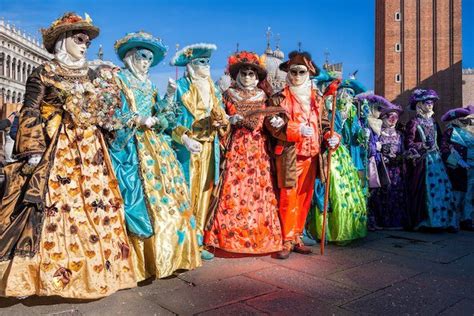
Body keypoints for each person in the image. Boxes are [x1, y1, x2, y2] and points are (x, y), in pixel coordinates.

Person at [0, 13, 136, 298]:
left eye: (87, 40)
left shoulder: (93, 74)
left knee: (98, 205)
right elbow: (30, 110)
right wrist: (34, 148)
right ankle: (51, 275)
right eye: (79, 39)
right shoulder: (44, 72)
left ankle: (98, 272)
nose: (85, 45)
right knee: (57, 207)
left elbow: (105, 111)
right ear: (64, 40)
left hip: (92, 150)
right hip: (58, 148)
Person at [109, 32, 201, 280]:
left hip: (155, 146)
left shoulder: (150, 85)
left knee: (169, 199)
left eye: (150, 58)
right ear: (131, 56)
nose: (146, 61)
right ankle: (140, 263)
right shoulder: (119, 80)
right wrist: (137, 119)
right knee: (135, 196)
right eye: (142, 56)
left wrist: (169, 96)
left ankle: (168, 257)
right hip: (130, 145)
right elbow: (111, 112)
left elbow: (162, 118)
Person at [205, 51, 282, 254]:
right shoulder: (228, 95)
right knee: (234, 186)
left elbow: (271, 120)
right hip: (237, 148)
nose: (247, 77)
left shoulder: (264, 96)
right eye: (244, 73)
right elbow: (218, 118)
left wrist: (275, 122)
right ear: (237, 75)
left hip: (259, 149)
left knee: (260, 187)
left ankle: (260, 236)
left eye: (251, 74)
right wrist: (228, 121)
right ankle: (230, 237)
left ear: (257, 77)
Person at [264, 51, 339, 259]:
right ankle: (286, 239)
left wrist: (332, 137)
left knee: (305, 197)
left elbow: (325, 124)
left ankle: (297, 236)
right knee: (288, 196)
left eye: (301, 72)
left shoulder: (317, 100)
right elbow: (271, 125)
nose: (296, 75)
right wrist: (296, 130)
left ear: (308, 74)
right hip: (290, 155)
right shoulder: (279, 97)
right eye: (293, 71)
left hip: (312, 155)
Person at [170, 43, 229, 260]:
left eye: (208, 62)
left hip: (209, 147)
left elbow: (221, 116)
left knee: (206, 191)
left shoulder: (213, 89)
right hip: (188, 148)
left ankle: (200, 239)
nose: (206, 66)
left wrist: (224, 121)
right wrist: (184, 137)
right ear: (191, 65)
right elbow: (170, 120)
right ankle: (184, 241)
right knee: (186, 188)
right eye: (201, 62)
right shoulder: (180, 88)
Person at [314, 79, 368, 244]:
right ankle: (329, 229)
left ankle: (346, 227)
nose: (347, 96)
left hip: (344, 154)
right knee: (330, 185)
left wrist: (363, 134)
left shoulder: (352, 113)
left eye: (350, 94)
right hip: (331, 151)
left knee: (346, 188)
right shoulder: (331, 110)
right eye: (344, 92)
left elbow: (356, 134)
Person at [405, 89, 457, 231]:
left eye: (432, 103)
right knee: (425, 190)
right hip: (423, 161)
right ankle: (427, 221)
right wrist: (423, 145)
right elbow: (408, 142)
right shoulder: (413, 122)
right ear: (420, 104)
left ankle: (442, 220)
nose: (430, 106)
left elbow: (440, 141)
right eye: (427, 103)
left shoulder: (434, 122)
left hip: (436, 161)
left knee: (441, 189)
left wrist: (449, 148)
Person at [369, 101, 407, 229]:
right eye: (391, 117)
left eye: (396, 118)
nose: (393, 120)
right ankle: (381, 221)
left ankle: (394, 222)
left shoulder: (400, 134)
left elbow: (403, 151)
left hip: (396, 170)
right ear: (383, 118)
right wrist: (380, 153)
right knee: (381, 194)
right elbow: (373, 148)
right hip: (382, 169)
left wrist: (399, 158)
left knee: (396, 194)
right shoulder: (377, 133)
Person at [440, 105, 474, 231]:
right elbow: (444, 149)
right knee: (457, 195)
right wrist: (455, 162)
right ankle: (453, 221)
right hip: (457, 168)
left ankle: (467, 219)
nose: (466, 122)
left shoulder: (471, 132)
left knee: (470, 195)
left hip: (472, 168)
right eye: (463, 120)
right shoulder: (450, 132)